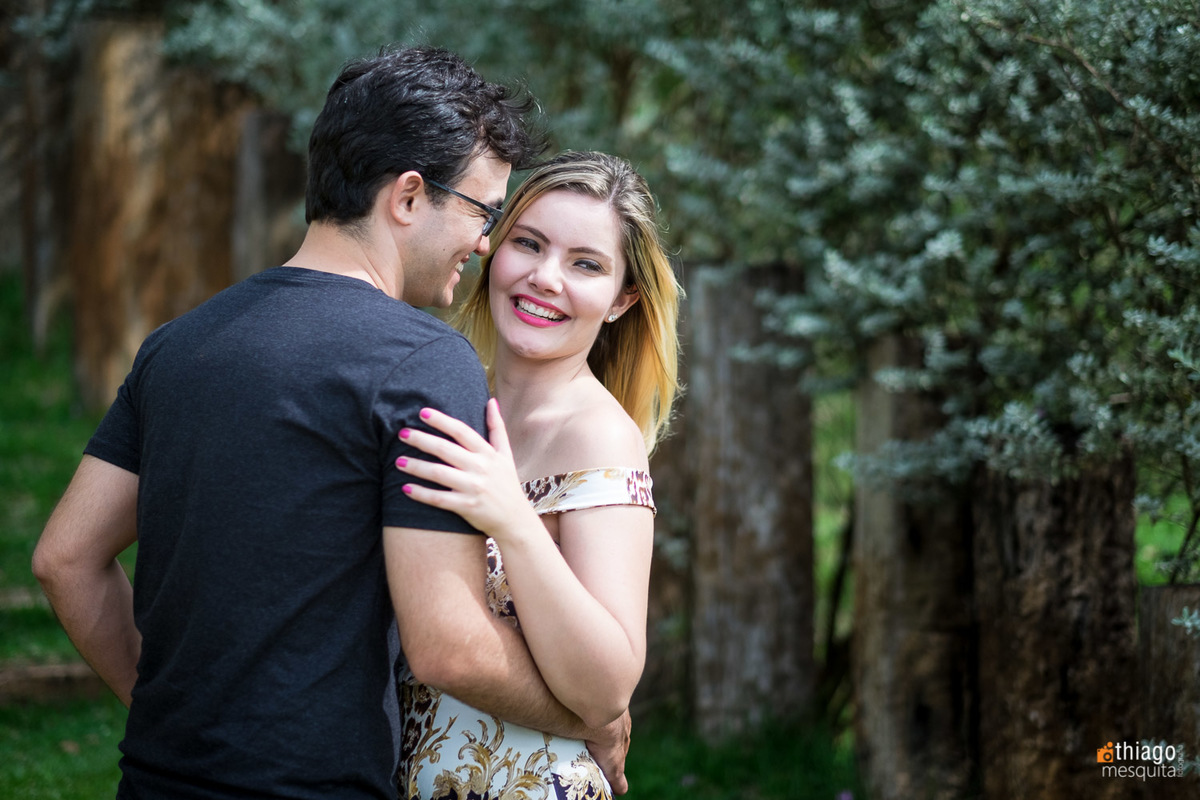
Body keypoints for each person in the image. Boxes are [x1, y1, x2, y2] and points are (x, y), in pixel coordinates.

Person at [32, 48, 630, 800]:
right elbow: (449, 648)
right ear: (409, 198)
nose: (484, 244)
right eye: (482, 212)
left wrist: (165, 714)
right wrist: (584, 717)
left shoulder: (179, 345)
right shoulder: (421, 363)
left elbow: (64, 558)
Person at [392, 151, 683, 800]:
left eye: (586, 264)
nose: (546, 278)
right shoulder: (454, 400)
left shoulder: (599, 436)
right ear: (493, 252)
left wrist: (513, 520)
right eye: (529, 244)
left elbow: (608, 687)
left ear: (620, 300)